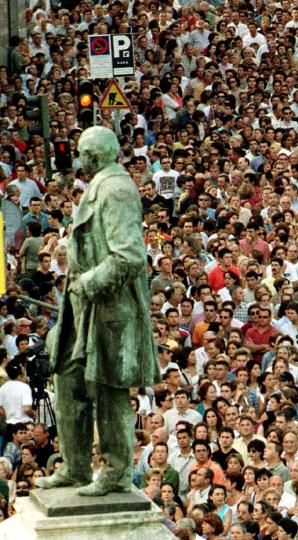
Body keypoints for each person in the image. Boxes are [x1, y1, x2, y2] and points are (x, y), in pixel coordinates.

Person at [37, 127, 158, 495]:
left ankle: (117, 472)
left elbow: (130, 255)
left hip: (109, 306)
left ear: (94, 155)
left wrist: (89, 282)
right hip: (81, 305)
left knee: (108, 389)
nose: (78, 158)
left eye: (81, 152)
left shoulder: (117, 189)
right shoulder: (100, 185)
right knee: (69, 379)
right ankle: (75, 466)